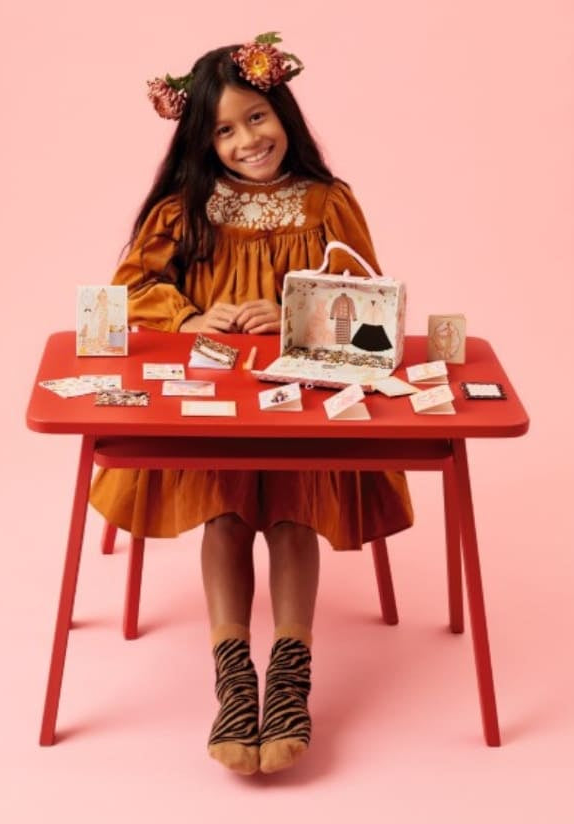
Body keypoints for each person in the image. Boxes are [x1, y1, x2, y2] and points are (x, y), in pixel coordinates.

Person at [90, 33, 413, 776]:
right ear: (203, 143)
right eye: (224, 131)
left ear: (284, 112)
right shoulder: (185, 206)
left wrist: (291, 309)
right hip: (214, 396)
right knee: (228, 507)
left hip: (301, 395)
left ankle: (291, 671)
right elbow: (132, 290)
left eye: (256, 118)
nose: (246, 140)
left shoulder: (330, 202)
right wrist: (188, 316)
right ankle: (234, 675)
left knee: (293, 502)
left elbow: (368, 302)